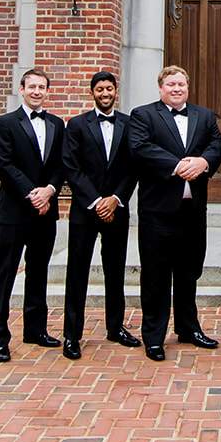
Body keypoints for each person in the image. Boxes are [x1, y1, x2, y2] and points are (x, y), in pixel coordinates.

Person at [127, 65, 221, 361]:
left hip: (192, 210)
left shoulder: (205, 116)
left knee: (188, 272)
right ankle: (154, 336)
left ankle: (188, 328)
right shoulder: (143, 115)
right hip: (158, 211)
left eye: (181, 84)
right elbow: (140, 147)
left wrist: (204, 163)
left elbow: (217, 145)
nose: (176, 89)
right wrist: (179, 165)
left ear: (187, 87)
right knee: (155, 276)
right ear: (160, 88)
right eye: (170, 84)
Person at [60, 71, 143, 360]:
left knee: (115, 270)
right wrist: (96, 201)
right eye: (100, 89)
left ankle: (115, 327)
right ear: (92, 92)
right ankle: (72, 335)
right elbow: (71, 167)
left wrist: (115, 199)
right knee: (77, 271)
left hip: (117, 210)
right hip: (85, 210)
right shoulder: (77, 124)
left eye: (109, 89)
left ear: (115, 91)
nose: (105, 93)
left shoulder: (129, 124)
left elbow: (133, 167)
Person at [0, 68, 64, 362]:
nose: (36, 92)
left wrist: (49, 190)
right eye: (31, 86)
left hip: (46, 211)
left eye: (41, 87)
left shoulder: (57, 124)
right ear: (21, 89)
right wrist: (32, 193)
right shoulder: (6, 123)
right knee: (4, 274)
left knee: (38, 271)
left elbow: (62, 164)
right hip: (15, 211)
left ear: (47, 91)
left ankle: (35, 330)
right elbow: (3, 164)